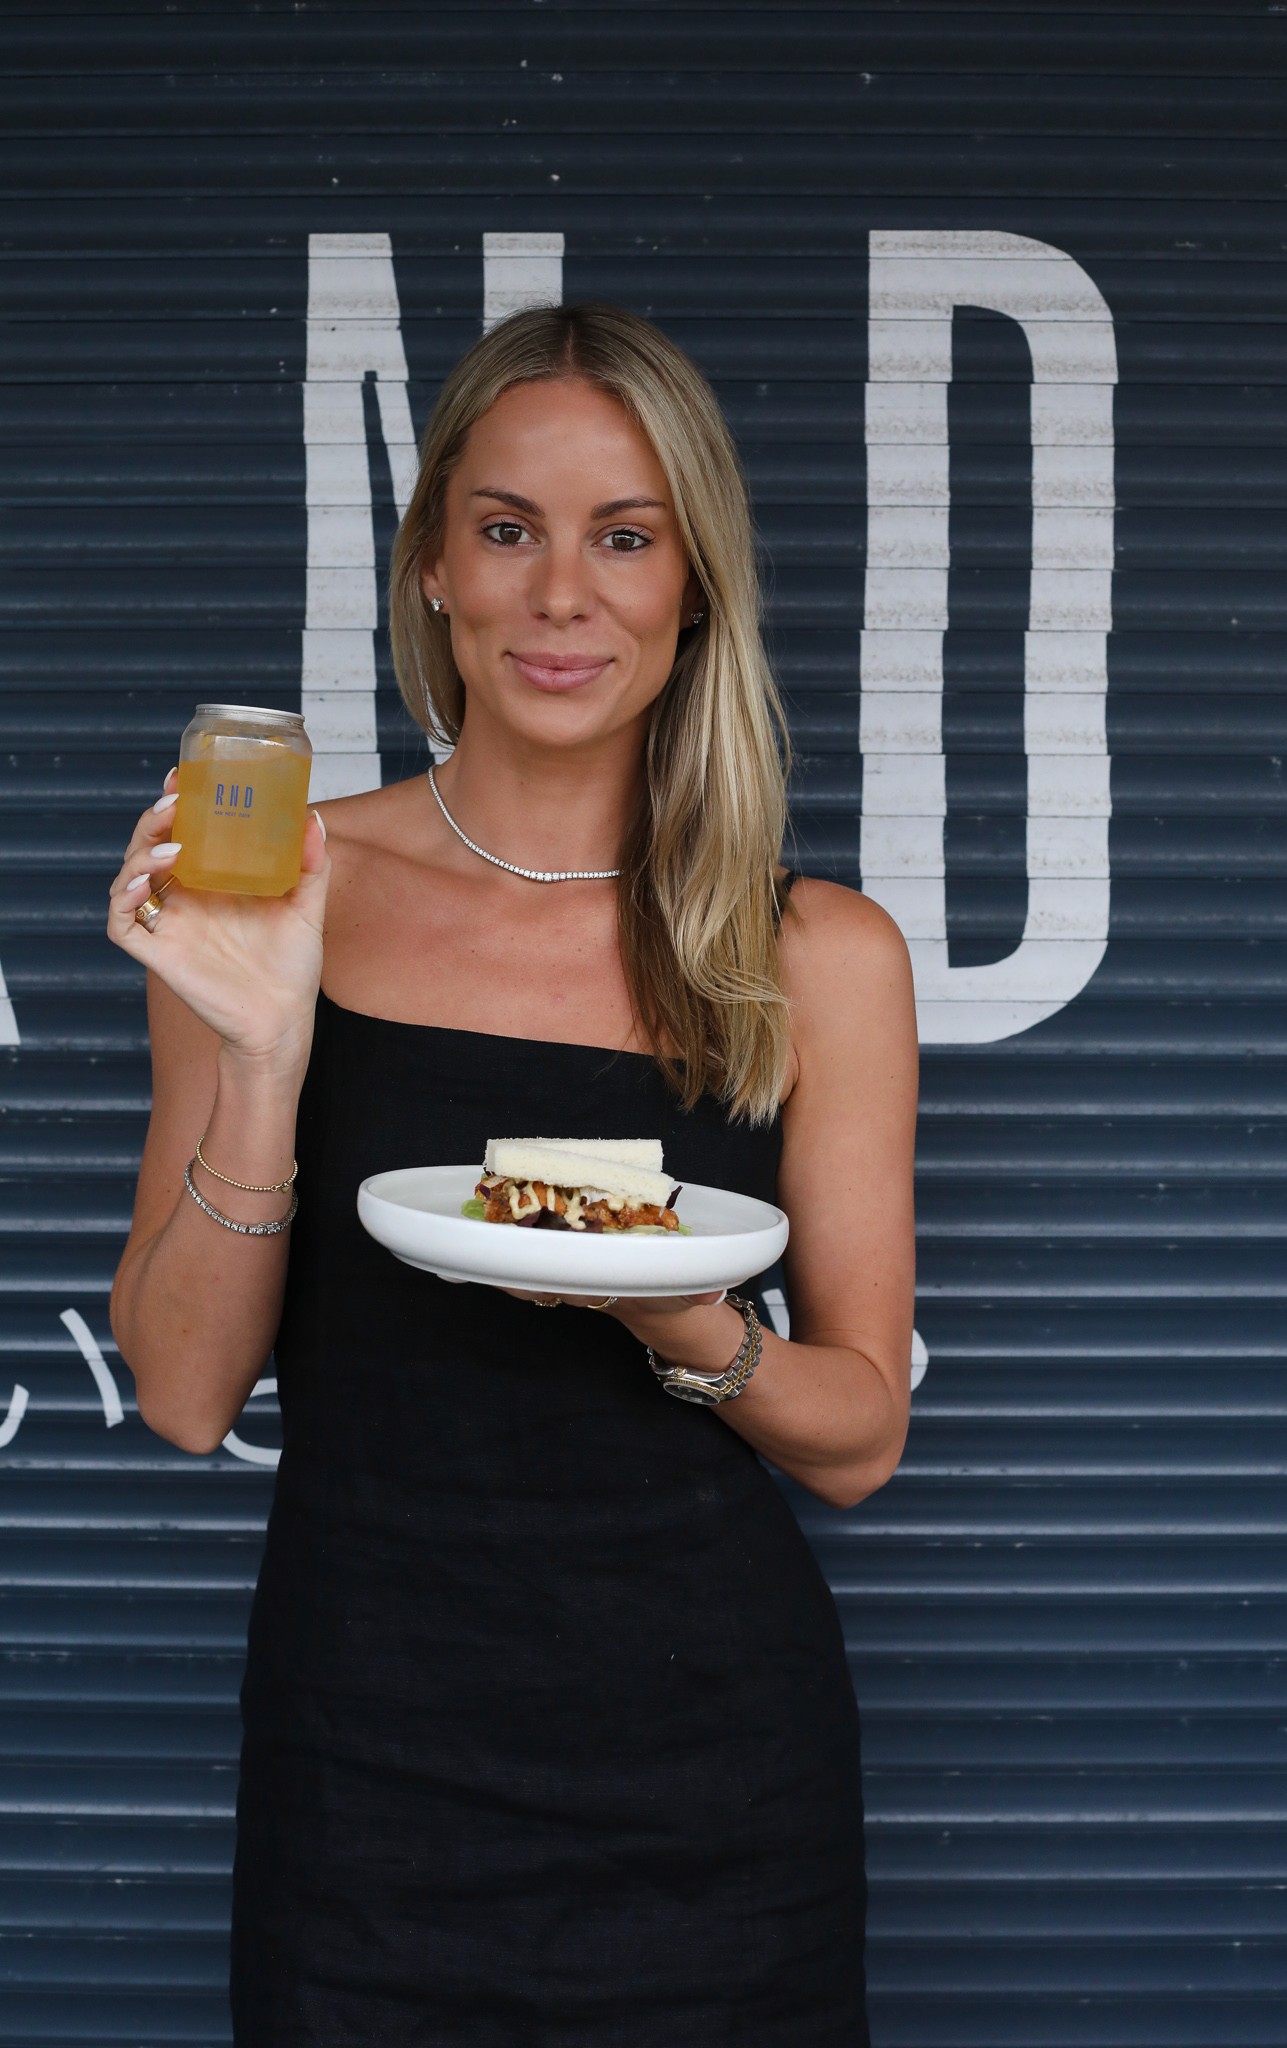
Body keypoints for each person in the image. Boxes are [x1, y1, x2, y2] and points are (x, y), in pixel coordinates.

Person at [107, 302, 918, 2046]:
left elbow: (858, 1441)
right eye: (507, 529)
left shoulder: (817, 950)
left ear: (690, 587)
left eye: (623, 538)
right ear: (431, 571)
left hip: (719, 1780)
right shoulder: (275, 891)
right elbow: (180, 1391)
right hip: (368, 1767)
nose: (562, 596)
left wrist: (688, 1318)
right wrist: (262, 1054)